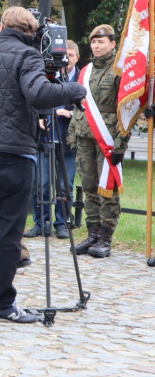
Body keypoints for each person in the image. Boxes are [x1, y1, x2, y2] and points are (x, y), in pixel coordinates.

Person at [0, 7, 85, 322]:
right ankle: (3, 303)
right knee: (9, 230)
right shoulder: (27, 57)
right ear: (33, 32)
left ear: (2, 25)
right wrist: (74, 90)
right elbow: (40, 94)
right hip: (13, 153)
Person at [68, 24, 129, 258]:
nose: (96, 46)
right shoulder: (86, 71)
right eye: (93, 42)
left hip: (107, 136)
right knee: (90, 187)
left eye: (101, 42)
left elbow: (125, 110)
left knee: (108, 188)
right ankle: (92, 231)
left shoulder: (119, 71)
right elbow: (80, 105)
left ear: (113, 44)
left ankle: (105, 235)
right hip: (84, 135)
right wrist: (73, 132)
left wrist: (121, 144)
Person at [26, 39, 80, 239]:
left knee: (66, 186)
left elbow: (89, 107)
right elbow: (33, 98)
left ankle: (62, 222)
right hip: (46, 137)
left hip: (68, 140)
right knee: (42, 183)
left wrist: (70, 114)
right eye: (64, 56)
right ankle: (41, 223)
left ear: (77, 57)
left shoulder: (82, 78)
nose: (67, 60)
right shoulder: (46, 77)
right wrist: (38, 117)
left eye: (71, 56)